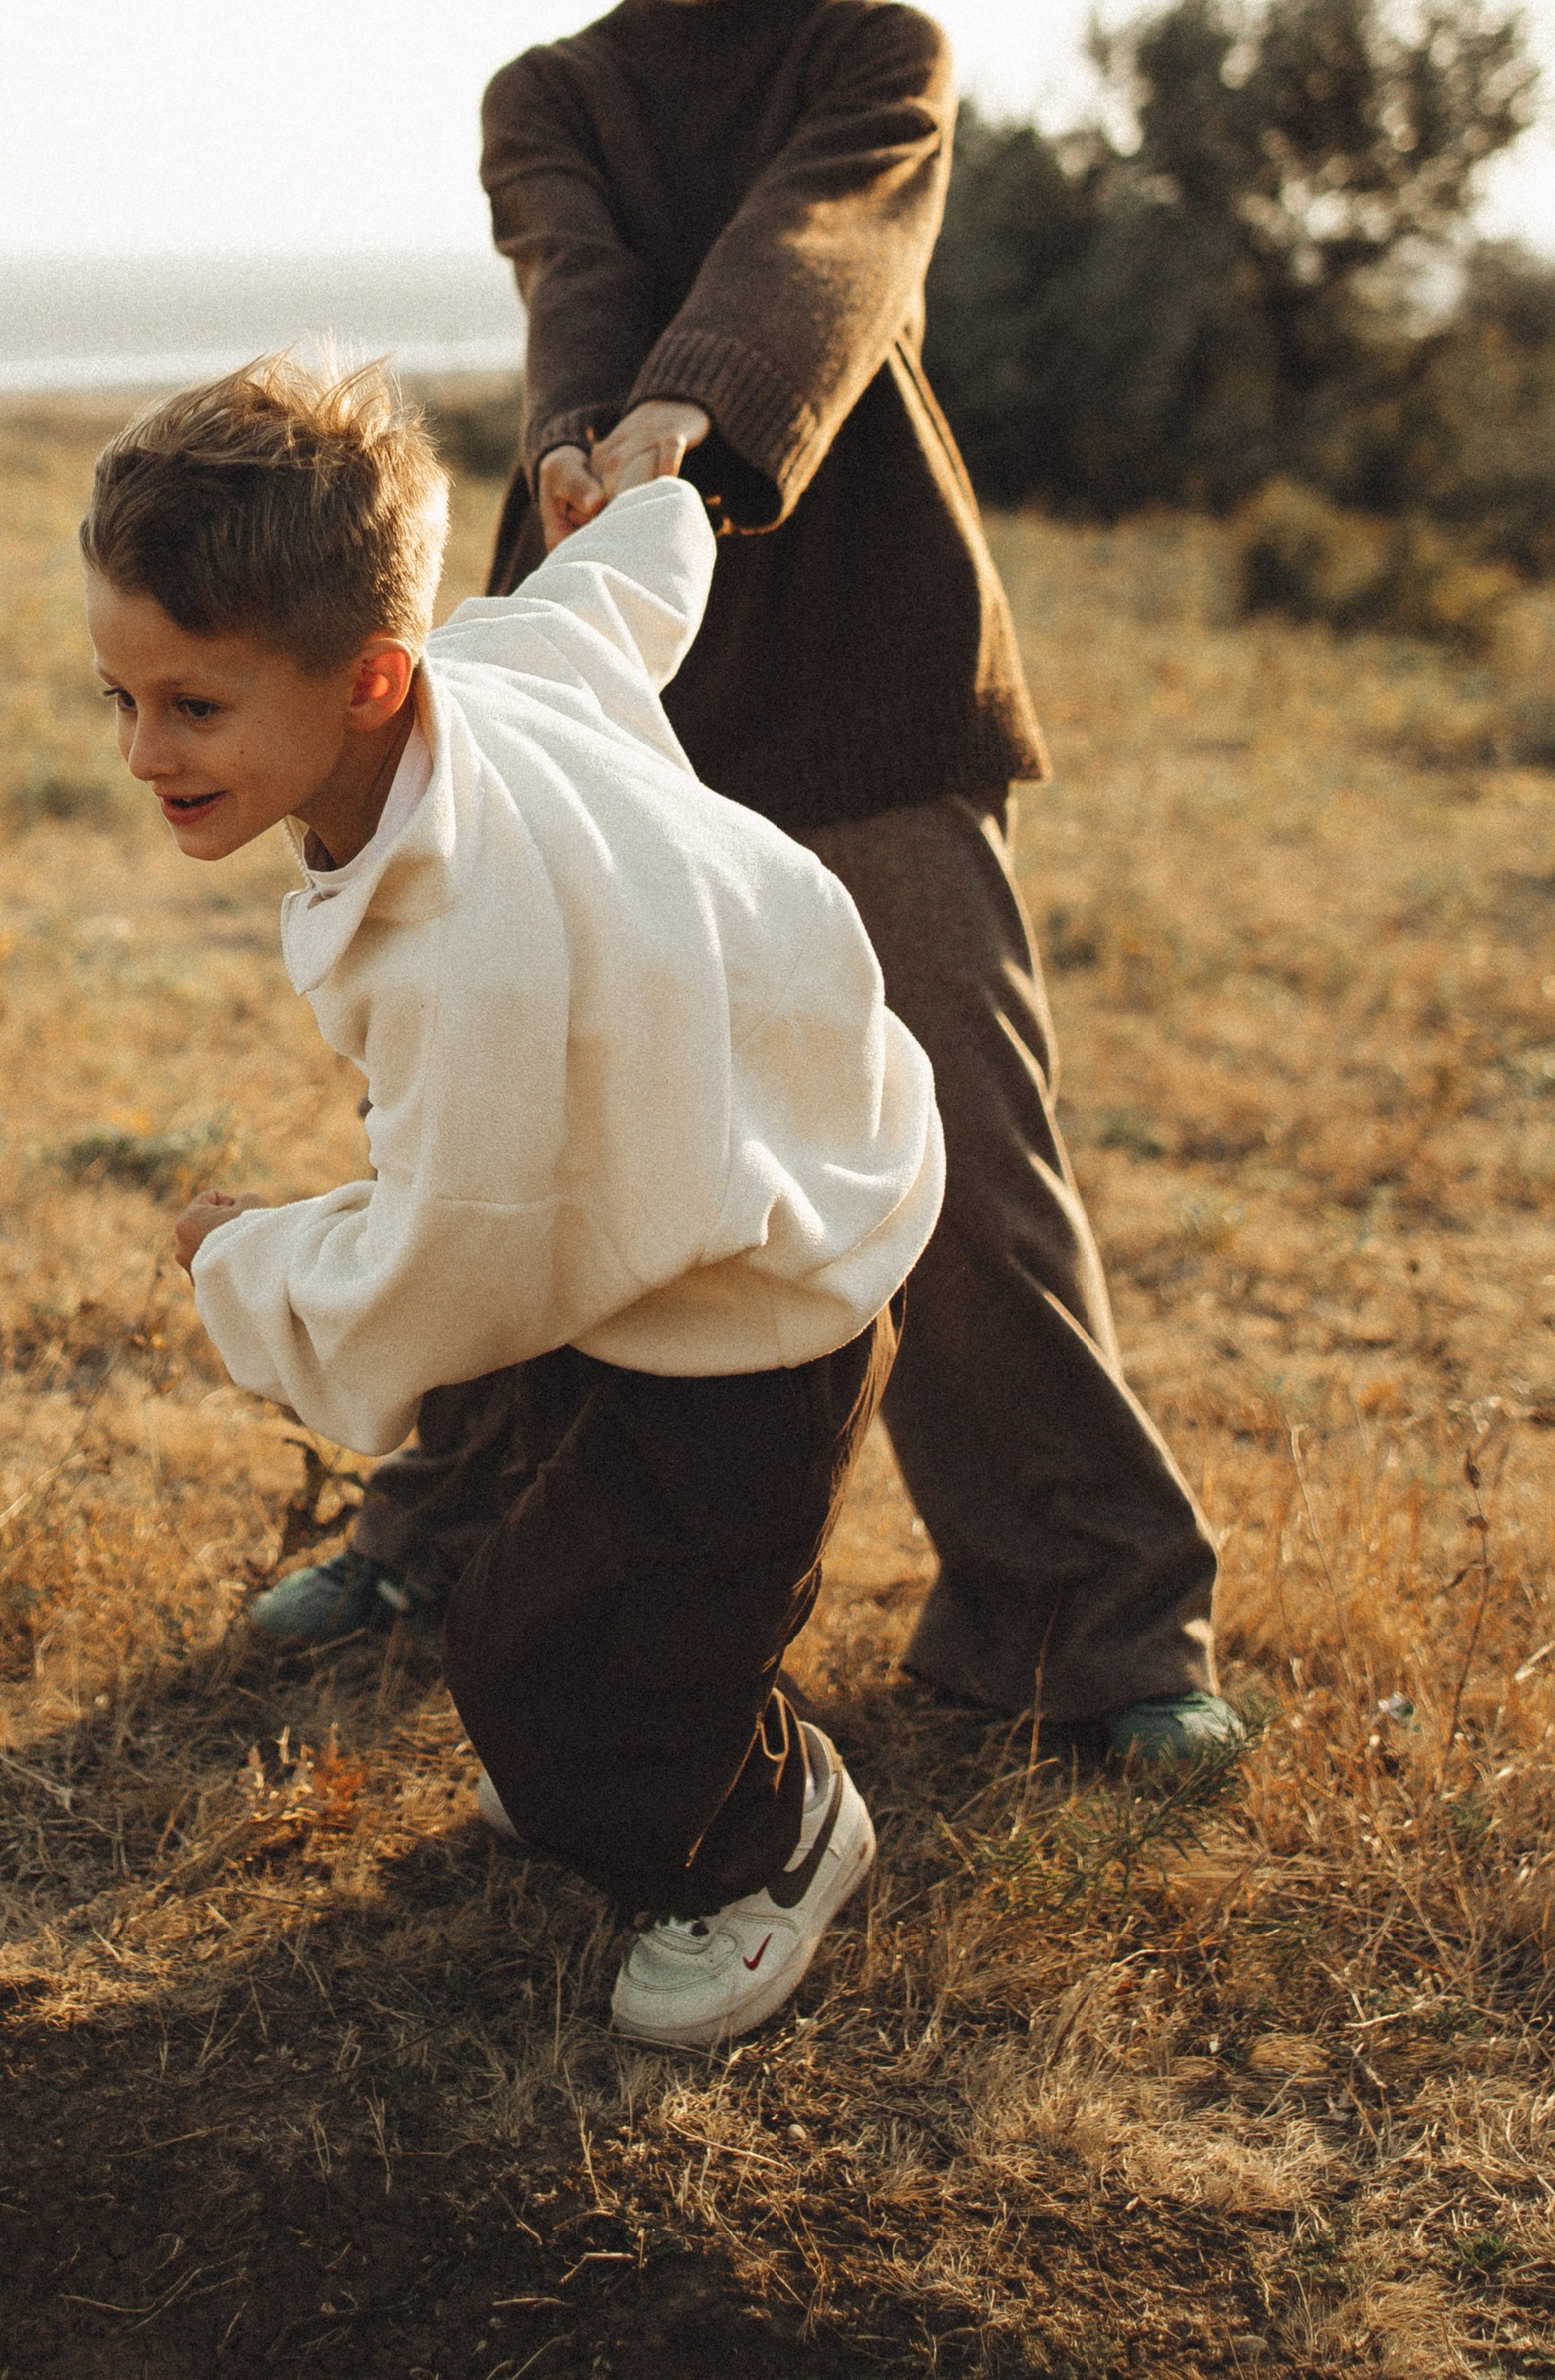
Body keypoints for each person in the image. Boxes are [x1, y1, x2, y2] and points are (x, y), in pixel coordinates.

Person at [253, 0, 1238, 1768]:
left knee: (964, 1148)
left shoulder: (879, 60)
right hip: (596, 653)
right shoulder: (547, 90)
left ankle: (1097, 1625)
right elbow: (572, 270)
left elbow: (823, 246)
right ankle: (447, 1531)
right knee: (514, 1103)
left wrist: (694, 423)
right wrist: (593, 441)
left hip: (865, 656)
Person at [82, 356, 945, 2047]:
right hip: (704, 1179)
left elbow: (456, 1260)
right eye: (118, 696)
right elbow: (613, 600)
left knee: (560, 1655)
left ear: (369, 679)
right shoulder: (488, 665)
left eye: (192, 707)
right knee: (568, 1566)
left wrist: (247, 1257)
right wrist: (646, 497)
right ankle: (603, 1760)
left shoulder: (466, 956)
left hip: (758, 1288)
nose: (141, 751)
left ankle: (765, 1840)